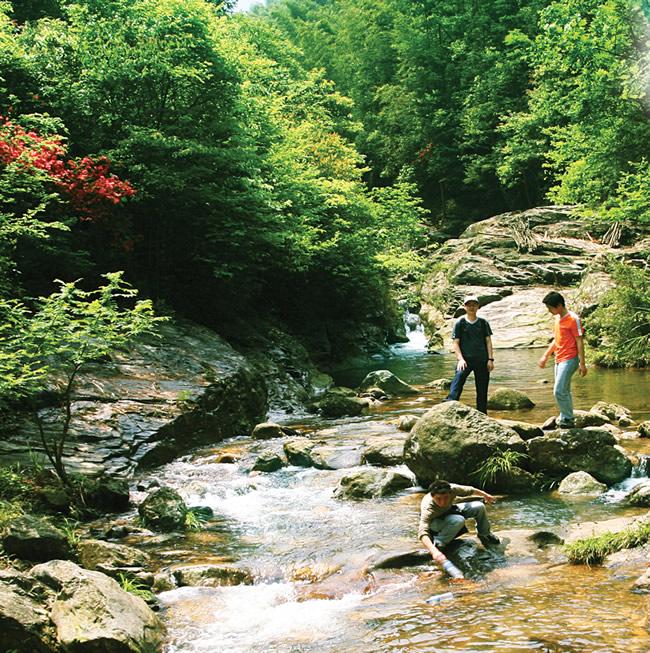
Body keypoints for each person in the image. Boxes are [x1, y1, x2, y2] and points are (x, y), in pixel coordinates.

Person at [418, 480, 500, 575]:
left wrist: (486, 495)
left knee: (479, 506)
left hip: (450, 511)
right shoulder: (428, 508)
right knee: (458, 519)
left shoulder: (453, 489)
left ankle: (485, 534)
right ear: (432, 496)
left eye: (446, 498)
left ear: (450, 493)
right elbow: (422, 532)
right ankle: (439, 544)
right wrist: (434, 551)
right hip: (435, 522)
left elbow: (471, 490)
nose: (443, 502)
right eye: (439, 499)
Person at [538, 291, 587, 428]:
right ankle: (567, 416)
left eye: (550, 308)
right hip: (559, 359)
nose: (549, 311)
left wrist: (582, 363)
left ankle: (567, 419)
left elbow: (579, 341)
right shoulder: (557, 318)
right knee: (565, 390)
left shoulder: (573, 319)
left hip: (570, 359)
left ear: (559, 305)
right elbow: (556, 340)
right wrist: (545, 355)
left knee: (558, 391)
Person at [445, 295, 494, 414]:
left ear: (478, 306)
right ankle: (449, 404)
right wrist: (460, 359)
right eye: (469, 305)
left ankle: (482, 413)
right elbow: (456, 343)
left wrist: (490, 359)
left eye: (474, 305)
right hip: (465, 360)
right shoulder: (460, 322)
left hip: (482, 360)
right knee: (458, 379)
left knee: (482, 389)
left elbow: (488, 341)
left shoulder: (483, 323)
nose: (472, 307)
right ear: (464, 307)